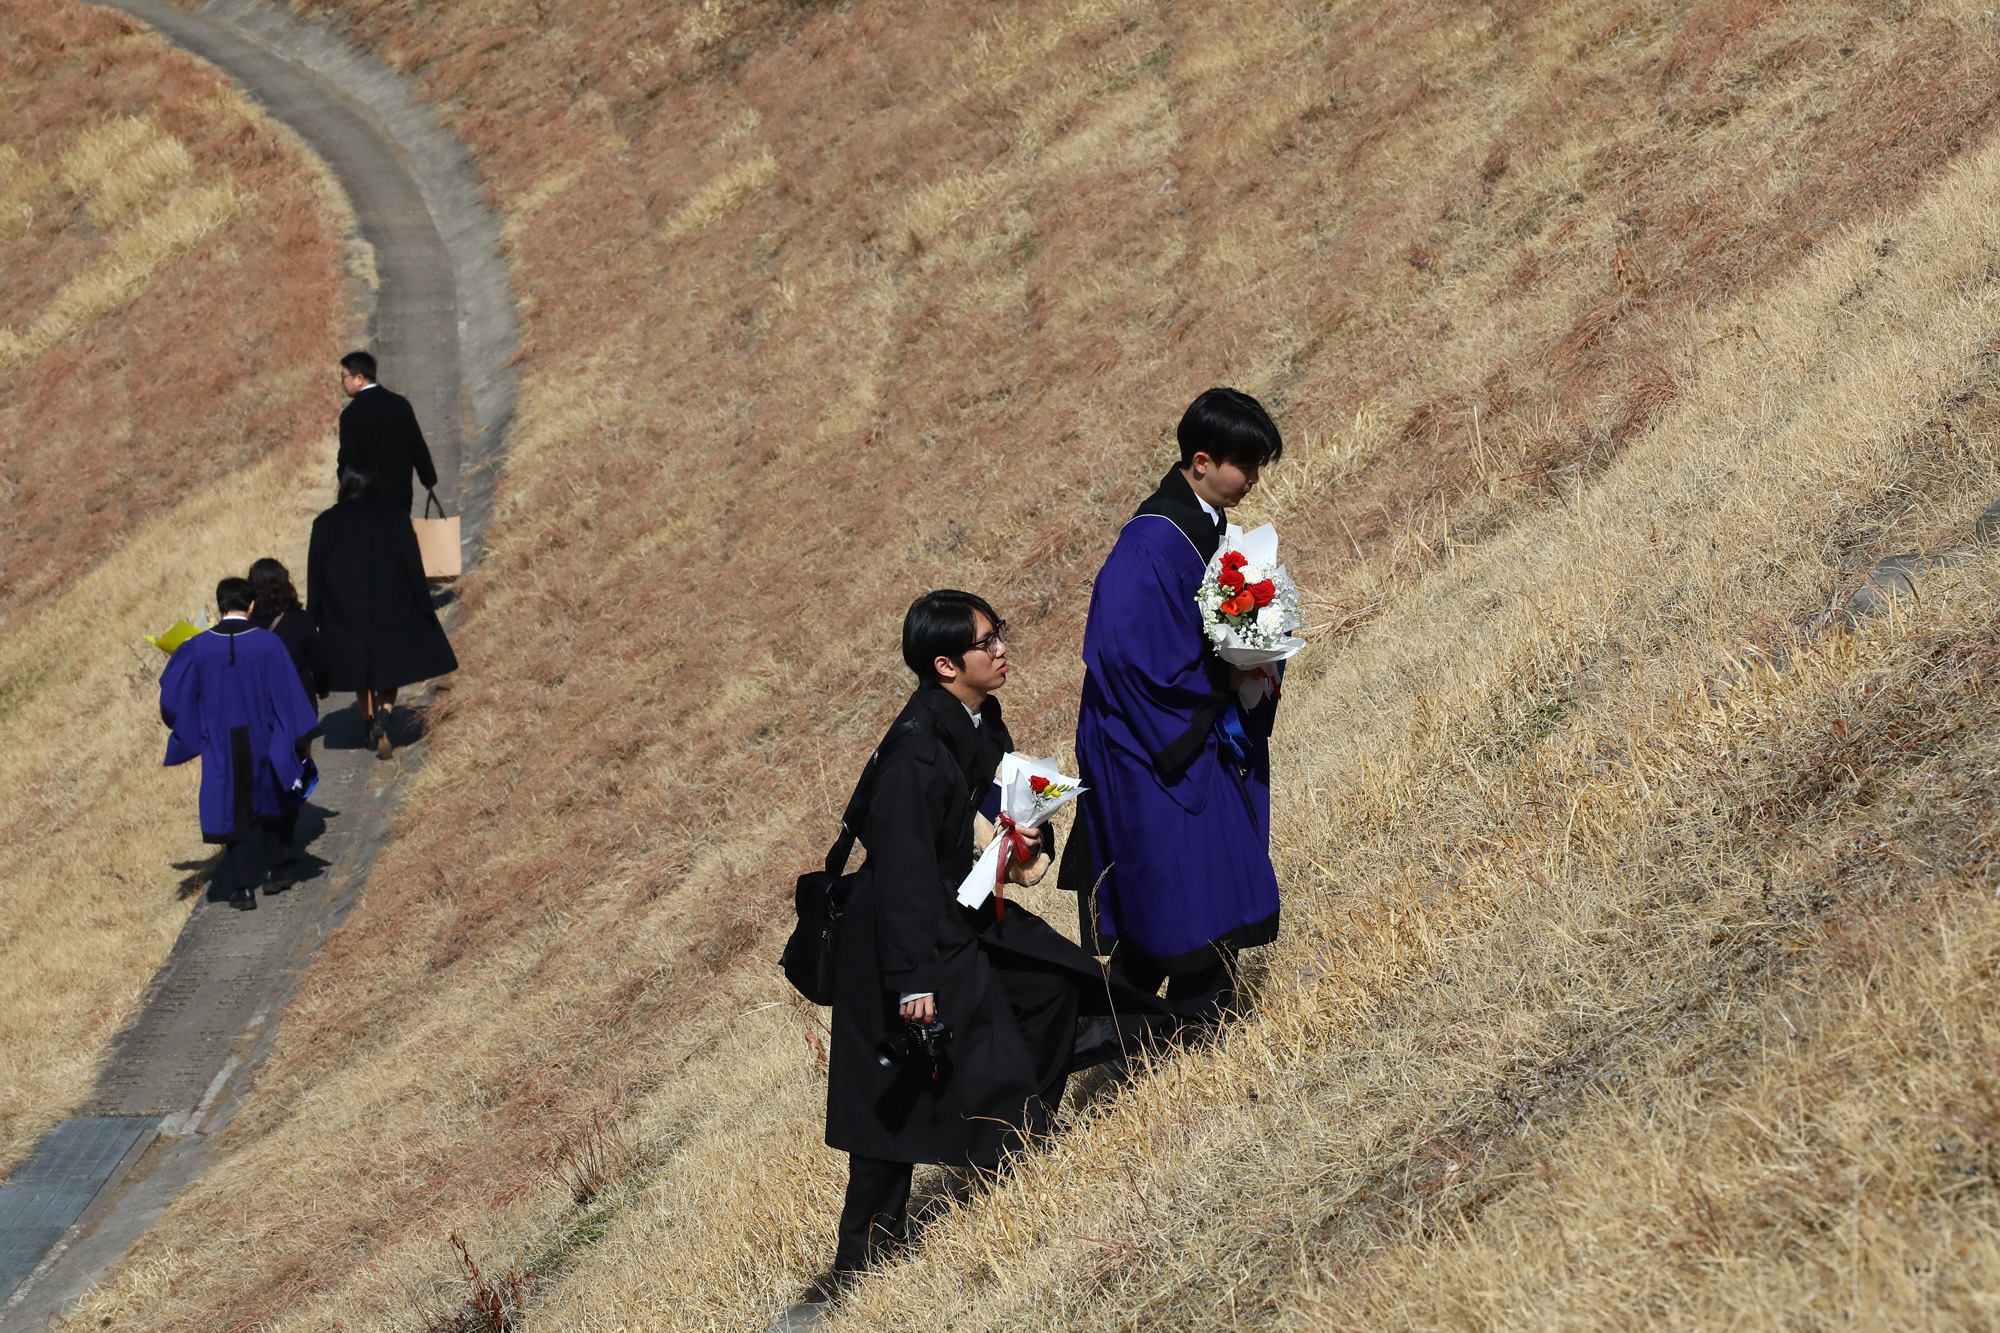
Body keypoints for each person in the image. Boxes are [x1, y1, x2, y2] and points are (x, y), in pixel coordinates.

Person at [819, 591, 1172, 1293]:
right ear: (947, 663)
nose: (1003, 647)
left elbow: (984, 811)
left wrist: (1019, 834)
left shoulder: (980, 718)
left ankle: (1021, 1143)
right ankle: (858, 1266)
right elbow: (905, 877)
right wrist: (914, 980)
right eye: (987, 641)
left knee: (1044, 989)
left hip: (954, 911)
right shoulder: (915, 754)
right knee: (889, 1098)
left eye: (999, 632)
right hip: (893, 938)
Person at [1061, 387, 1287, 1017]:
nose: (1253, 480)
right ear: (1202, 461)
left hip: (1190, 726)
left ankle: (1195, 1024)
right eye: (1246, 465)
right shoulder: (1147, 545)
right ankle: (1138, 1036)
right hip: (1148, 742)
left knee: (1207, 875)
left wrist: (1256, 658)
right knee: (1171, 889)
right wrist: (1221, 680)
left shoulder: (1207, 529)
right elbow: (1120, 655)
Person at [159, 577, 320, 910]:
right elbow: (289, 695)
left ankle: (244, 888)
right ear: (251, 606)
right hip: (265, 735)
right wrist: (300, 739)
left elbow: (174, 699)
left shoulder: (197, 647)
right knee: (274, 800)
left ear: (218, 606)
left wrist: (193, 728)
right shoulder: (267, 643)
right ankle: (277, 871)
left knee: (233, 809)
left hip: (221, 741)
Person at [307, 469, 458, 759]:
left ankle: (367, 723)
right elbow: (413, 563)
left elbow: (315, 577)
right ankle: (385, 714)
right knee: (390, 669)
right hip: (391, 605)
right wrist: (424, 605)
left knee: (360, 674)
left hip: (344, 610)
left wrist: (312, 620)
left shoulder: (324, 523)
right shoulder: (394, 514)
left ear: (344, 486)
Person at [336, 350, 437, 514]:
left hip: (366, 498)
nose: (342, 382)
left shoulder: (351, 415)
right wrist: (428, 479)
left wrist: (345, 491)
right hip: (400, 494)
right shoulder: (400, 404)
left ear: (359, 378)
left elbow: (348, 460)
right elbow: (417, 445)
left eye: (344, 377)